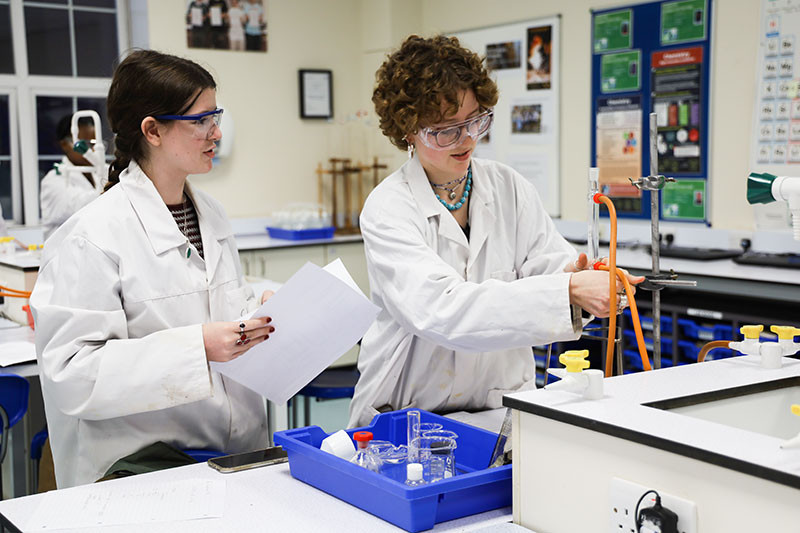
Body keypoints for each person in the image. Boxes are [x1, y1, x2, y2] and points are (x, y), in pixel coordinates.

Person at [348, 35, 642, 427]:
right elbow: (444, 311)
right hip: (404, 417)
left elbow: (550, 266)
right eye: (445, 130)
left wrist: (583, 282)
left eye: (474, 120)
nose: (467, 139)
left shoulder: (509, 188)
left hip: (498, 409)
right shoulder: (388, 209)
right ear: (408, 131)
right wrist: (565, 291)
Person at [31, 50, 274, 488]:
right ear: (152, 130)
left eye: (215, 116)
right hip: (142, 473)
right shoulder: (92, 235)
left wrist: (259, 312)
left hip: (232, 458)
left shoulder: (212, 215)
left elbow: (214, 305)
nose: (216, 132)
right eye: (201, 121)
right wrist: (196, 348)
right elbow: (72, 374)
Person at [39, 115, 104, 240]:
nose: (92, 150)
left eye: (95, 144)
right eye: (86, 144)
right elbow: (75, 206)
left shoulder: (101, 170)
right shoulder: (53, 180)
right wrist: (112, 190)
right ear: (64, 144)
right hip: (62, 253)